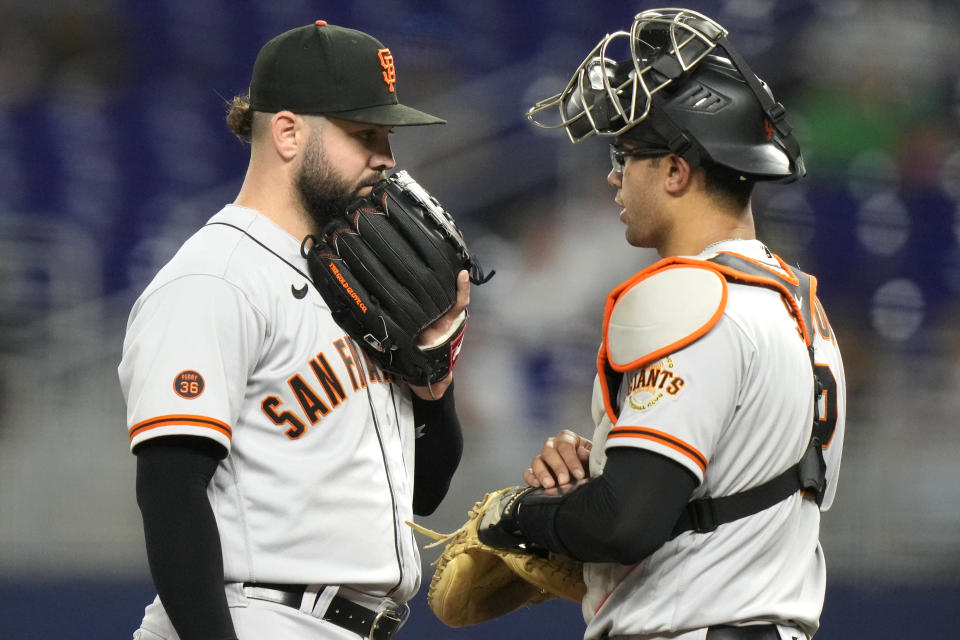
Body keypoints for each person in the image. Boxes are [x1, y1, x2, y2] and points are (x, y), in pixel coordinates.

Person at [478, 8, 846, 640]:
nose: (613, 176)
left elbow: (625, 524)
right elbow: (713, 486)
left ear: (677, 170)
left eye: (627, 155)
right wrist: (606, 471)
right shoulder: (799, 302)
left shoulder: (688, 295)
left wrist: (516, 516)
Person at [119, 21, 469, 640]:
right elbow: (171, 495)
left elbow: (424, 495)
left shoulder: (361, 280)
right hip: (254, 615)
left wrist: (432, 365)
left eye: (387, 137)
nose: (386, 158)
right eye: (364, 134)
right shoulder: (215, 278)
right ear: (287, 132)